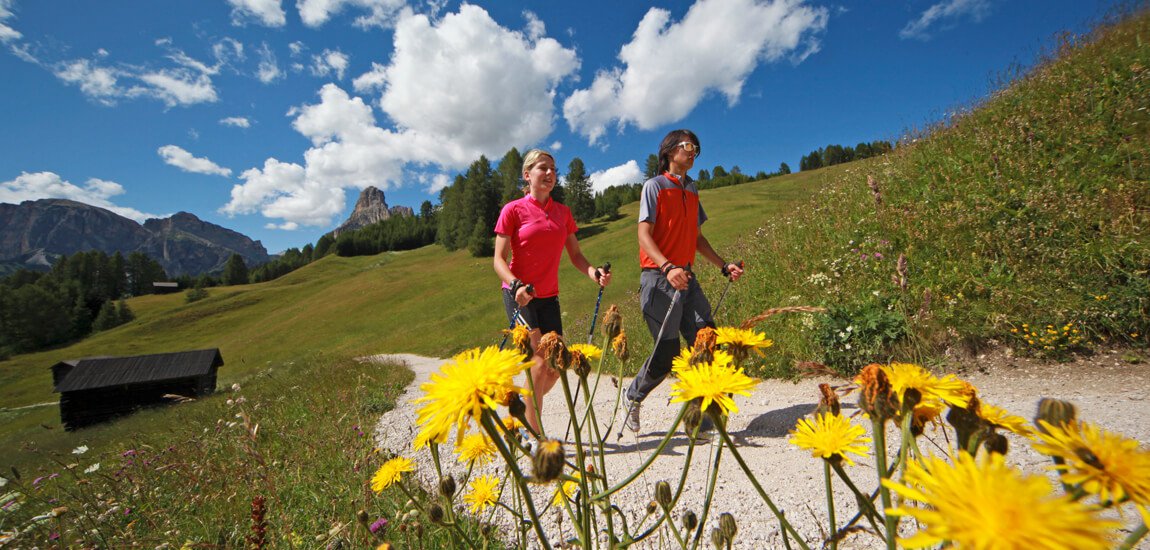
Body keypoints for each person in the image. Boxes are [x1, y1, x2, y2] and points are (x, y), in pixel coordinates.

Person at [624, 129, 744, 433]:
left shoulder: (692, 190)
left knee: (707, 342)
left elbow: (697, 238)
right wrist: (666, 267)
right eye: (688, 146)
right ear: (669, 150)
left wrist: (723, 265)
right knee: (667, 356)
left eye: (696, 148)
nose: (693, 152)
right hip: (659, 278)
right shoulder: (654, 187)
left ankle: (701, 423)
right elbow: (643, 234)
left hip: (687, 278)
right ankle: (633, 396)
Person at [494, 149, 612, 443]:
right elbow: (498, 259)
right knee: (537, 361)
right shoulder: (513, 210)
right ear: (527, 175)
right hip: (520, 294)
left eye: (553, 170)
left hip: (549, 296)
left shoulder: (563, 213)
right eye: (542, 168)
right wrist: (515, 284)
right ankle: (536, 437)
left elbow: (576, 254)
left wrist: (594, 272)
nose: (549, 174)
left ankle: (519, 409)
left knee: (556, 367)